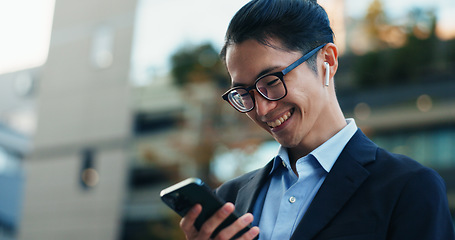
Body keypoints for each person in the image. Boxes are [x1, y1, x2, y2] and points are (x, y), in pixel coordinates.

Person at [179, 0, 455, 239]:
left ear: (328, 61)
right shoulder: (229, 199)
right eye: (244, 92)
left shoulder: (408, 187)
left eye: (272, 80)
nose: (262, 109)